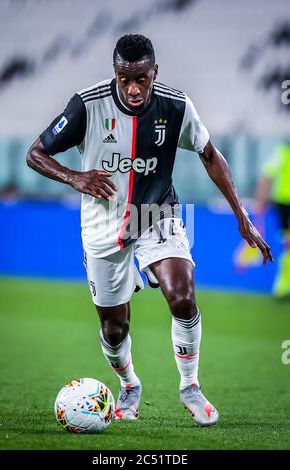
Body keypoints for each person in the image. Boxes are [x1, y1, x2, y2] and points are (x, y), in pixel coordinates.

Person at [27, 34, 273, 426]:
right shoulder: (87, 105)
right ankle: (129, 385)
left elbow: (210, 155)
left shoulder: (176, 106)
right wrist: (74, 177)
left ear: (154, 72)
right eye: (124, 79)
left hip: (155, 213)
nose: (133, 87)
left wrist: (241, 216)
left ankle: (190, 386)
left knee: (182, 296)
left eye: (141, 78)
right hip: (101, 223)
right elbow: (35, 153)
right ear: (115, 74)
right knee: (113, 326)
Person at [255, 142, 290, 298]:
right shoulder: (283, 151)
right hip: (285, 204)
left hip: (283, 204)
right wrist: (261, 203)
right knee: (287, 244)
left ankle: (283, 285)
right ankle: (282, 285)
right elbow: (267, 176)